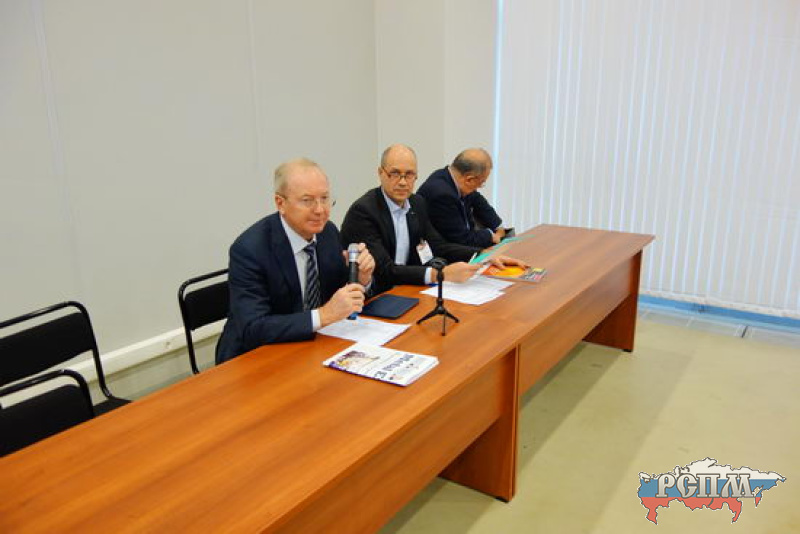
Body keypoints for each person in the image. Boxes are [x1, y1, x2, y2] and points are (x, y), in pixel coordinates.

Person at [216, 158, 375, 364]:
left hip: (313, 346)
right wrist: (323, 315)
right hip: (256, 356)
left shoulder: (328, 232)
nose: (320, 210)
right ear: (280, 203)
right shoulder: (250, 249)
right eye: (307, 200)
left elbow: (338, 293)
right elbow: (253, 328)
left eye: (325, 198)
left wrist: (361, 279)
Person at [340, 144, 524, 292]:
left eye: (409, 174)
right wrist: (440, 274)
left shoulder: (417, 203)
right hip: (376, 295)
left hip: (408, 288)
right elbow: (385, 271)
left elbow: (437, 245)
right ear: (381, 173)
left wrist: (483, 255)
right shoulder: (363, 212)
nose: (403, 182)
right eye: (395, 173)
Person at [417, 148, 506, 248]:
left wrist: (498, 226)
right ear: (469, 179)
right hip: (445, 251)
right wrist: (490, 235)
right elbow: (462, 240)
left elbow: (478, 201)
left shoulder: (452, 178)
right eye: (482, 182)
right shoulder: (442, 195)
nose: (479, 187)